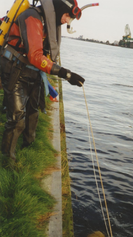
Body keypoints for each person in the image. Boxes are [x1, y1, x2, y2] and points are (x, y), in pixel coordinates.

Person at [0, 0, 85, 161]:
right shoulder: (32, 17)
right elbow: (35, 55)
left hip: (31, 72)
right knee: (17, 119)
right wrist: (65, 74)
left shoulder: (48, 22)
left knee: (33, 113)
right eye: (67, 16)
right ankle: (7, 161)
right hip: (14, 70)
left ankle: (29, 148)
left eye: (70, 19)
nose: (67, 21)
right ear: (59, 9)